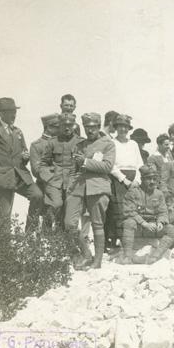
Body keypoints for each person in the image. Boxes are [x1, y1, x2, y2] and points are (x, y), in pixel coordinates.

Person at [0, 97, 43, 237]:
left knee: (37, 195)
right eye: (9, 112)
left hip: (20, 176)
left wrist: (25, 157)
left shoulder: (18, 131)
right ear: (1, 114)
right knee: (5, 215)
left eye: (14, 111)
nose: (13, 115)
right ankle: (4, 248)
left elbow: (24, 152)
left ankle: (29, 235)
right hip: (3, 178)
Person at [63, 112, 115, 270]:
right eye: (86, 127)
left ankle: (97, 261)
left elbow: (108, 166)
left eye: (93, 127)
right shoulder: (80, 145)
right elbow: (73, 168)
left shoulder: (108, 144)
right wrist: (69, 186)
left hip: (98, 187)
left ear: (99, 127)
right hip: (78, 187)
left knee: (97, 224)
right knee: (69, 224)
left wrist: (86, 161)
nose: (90, 130)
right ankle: (86, 254)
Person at [117, 165, 174, 264]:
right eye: (148, 179)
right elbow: (129, 212)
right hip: (138, 227)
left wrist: (160, 222)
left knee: (171, 229)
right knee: (129, 223)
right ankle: (127, 257)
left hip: (152, 227)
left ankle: (154, 257)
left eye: (154, 179)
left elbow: (163, 212)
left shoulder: (159, 194)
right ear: (142, 179)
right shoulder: (133, 192)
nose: (152, 181)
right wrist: (144, 223)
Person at [38, 113, 84, 230]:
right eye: (64, 125)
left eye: (70, 125)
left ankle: (67, 238)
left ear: (74, 125)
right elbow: (43, 163)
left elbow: (84, 164)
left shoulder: (80, 142)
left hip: (73, 180)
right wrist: (48, 179)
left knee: (70, 214)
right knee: (56, 204)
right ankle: (46, 232)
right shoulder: (52, 142)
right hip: (55, 180)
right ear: (60, 125)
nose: (67, 128)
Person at [108, 114, 144, 248]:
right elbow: (111, 165)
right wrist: (123, 179)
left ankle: (132, 242)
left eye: (125, 127)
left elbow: (139, 164)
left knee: (133, 210)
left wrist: (137, 180)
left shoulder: (133, 144)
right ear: (116, 128)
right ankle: (120, 242)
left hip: (134, 179)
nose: (123, 129)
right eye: (120, 127)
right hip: (118, 180)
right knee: (119, 212)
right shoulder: (112, 143)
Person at [29, 113, 60, 229]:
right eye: (57, 127)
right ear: (48, 127)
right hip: (44, 186)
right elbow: (36, 170)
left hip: (60, 187)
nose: (59, 130)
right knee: (37, 219)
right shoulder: (36, 145)